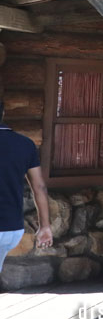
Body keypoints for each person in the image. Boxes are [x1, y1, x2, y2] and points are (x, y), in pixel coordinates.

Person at [0, 98, 52, 274]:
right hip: (11, 229)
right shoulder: (25, 144)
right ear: (3, 114)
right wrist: (45, 226)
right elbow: (39, 187)